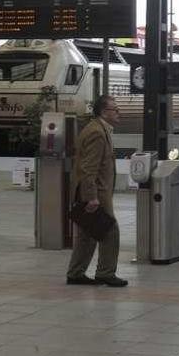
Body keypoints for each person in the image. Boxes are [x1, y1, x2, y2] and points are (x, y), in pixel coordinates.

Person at [66, 95, 128, 287]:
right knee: (110, 231)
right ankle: (105, 273)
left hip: (93, 191)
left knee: (87, 234)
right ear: (103, 112)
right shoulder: (97, 133)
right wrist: (92, 197)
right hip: (96, 193)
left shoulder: (99, 129)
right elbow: (88, 168)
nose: (119, 113)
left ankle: (76, 273)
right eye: (115, 110)